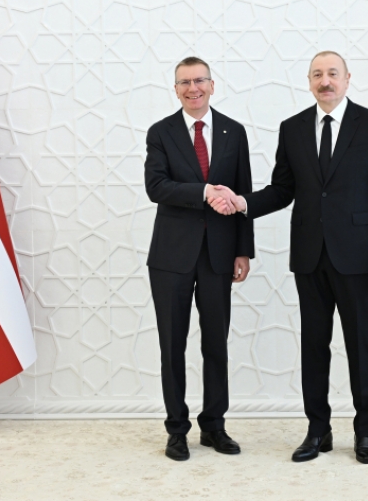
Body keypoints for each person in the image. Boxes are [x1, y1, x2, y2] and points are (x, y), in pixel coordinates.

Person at [208, 51, 368, 464]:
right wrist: (243, 202)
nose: (325, 81)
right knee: (313, 346)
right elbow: (283, 189)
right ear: (309, 81)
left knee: (360, 345)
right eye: (317, 75)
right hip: (309, 256)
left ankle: (364, 432)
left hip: (359, 257)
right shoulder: (293, 127)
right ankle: (318, 430)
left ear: (347, 79)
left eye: (332, 73)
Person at [144, 57, 254, 461]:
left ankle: (214, 426)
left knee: (215, 345)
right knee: (172, 346)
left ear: (212, 85)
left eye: (199, 81)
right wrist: (204, 192)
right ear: (175, 90)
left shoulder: (233, 131)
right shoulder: (161, 132)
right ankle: (177, 430)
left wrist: (243, 249)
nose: (193, 88)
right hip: (171, 256)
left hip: (219, 254)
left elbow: (243, 192)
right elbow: (156, 186)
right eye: (185, 82)